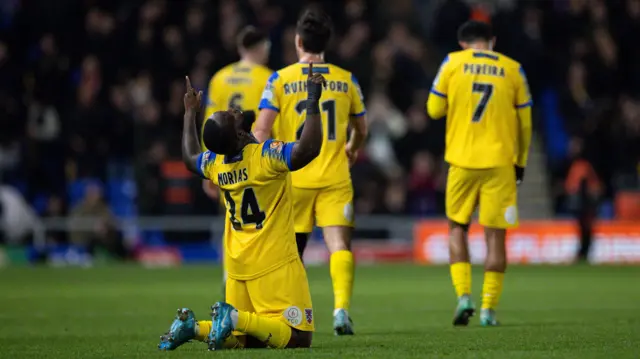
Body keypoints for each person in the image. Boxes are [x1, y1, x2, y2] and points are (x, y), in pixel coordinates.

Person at [158, 65, 325, 351]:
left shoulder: (215, 164)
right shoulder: (264, 158)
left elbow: (189, 158)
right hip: (274, 262)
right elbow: (307, 150)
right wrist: (312, 100)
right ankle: (233, 316)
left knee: (246, 339)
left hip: (236, 264)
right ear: (237, 137)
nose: (236, 111)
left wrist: (189, 114)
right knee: (298, 337)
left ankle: (193, 327)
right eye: (232, 117)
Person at [253, 7, 368, 336]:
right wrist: (353, 146)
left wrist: (267, 159)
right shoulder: (346, 80)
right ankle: (341, 310)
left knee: (292, 252)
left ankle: (293, 314)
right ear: (326, 43)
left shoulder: (280, 79)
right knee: (339, 245)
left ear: (298, 41)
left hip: (294, 178)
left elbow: (261, 130)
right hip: (334, 177)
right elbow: (362, 127)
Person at [426, 20, 532, 326]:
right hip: (499, 162)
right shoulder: (513, 69)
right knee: (495, 238)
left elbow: (433, 109)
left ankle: (463, 297)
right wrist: (520, 162)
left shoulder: (452, 62)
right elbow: (525, 124)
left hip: (461, 161)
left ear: (463, 44)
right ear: (492, 41)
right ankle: (488, 309)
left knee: (457, 227)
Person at [201, 26, 273, 297]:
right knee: (262, 221)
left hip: (224, 159)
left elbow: (210, 123)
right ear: (262, 48)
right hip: (258, 158)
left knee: (232, 218)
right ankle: (259, 279)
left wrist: (209, 167)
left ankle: (229, 276)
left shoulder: (220, 77)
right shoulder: (268, 78)